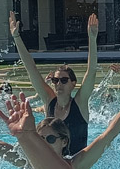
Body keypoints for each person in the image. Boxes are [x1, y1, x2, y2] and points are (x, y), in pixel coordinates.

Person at [10, 10, 100, 149]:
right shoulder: (49, 101)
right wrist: (16, 37)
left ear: (73, 84)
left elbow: (91, 71)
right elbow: (31, 69)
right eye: (55, 80)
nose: (58, 84)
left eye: (64, 80)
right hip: (52, 163)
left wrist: (92, 39)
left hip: (74, 167)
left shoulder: (80, 104)